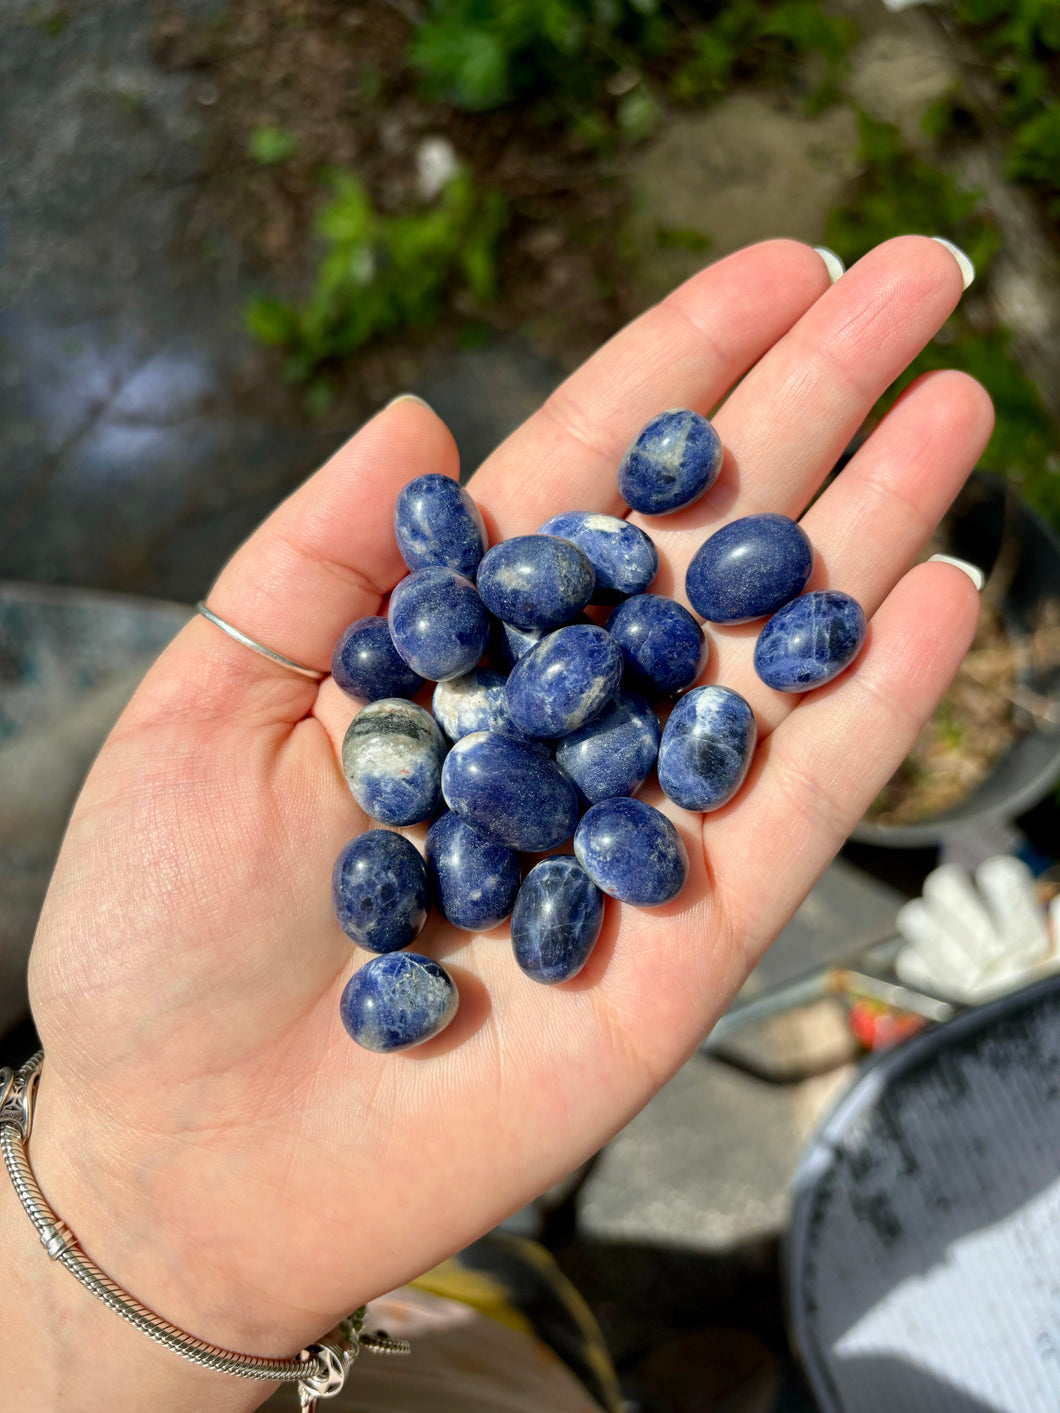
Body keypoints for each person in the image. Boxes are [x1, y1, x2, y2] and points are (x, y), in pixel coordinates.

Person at [0, 236, 991, 1411]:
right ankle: (603, 1368)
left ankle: (592, 1365)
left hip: (233, 1348)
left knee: (499, 1367)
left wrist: (129, 1257)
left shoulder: (545, 683)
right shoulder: (490, 739)